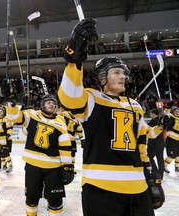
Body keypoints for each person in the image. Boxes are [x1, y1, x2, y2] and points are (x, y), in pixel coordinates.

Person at [58, 18, 167, 215]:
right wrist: (75, 58)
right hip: (101, 189)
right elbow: (68, 97)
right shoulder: (92, 98)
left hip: (138, 188)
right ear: (102, 78)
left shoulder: (134, 106)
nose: (123, 76)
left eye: (124, 73)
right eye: (116, 72)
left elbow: (142, 142)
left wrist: (151, 178)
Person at [2, 83, 74, 216]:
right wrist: (12, 104)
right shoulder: (32, 115)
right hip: (33, 167)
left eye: (53, 103)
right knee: (31, 199)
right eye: (48, 103)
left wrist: (68, 167)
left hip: (54, 169)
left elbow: (65, 147)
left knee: (55, 201)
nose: (51, 105)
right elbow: (13, 117)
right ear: (42, 105)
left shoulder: (60, 122)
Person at [147, 108, 165, 179]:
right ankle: (161, 174)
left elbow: (147, 130)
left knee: (149, 157)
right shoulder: (161, 121)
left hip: (153, 144)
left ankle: (155, 173)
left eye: (151, 114)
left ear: (153, 114)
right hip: (161, 143)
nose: (150, 115)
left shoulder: (153, 121)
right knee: (160, 159)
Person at [0, 105, 14, 173]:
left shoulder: (7, 119)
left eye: (1, 111)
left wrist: (7, 136)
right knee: (1, 153)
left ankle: (10, 165)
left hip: (7, 139)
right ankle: (4, 165)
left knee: (6, 152)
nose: (0, 112)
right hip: (0, 139)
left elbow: (10, 129)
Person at [163, 104, 179, 173]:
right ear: (172, 112)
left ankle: (177, 167)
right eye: (175, 111)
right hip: (171, 139)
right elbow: (166, 113)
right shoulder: (170, 117)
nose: (177, 112)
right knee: (172, 155)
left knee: (178, 155)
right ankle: (164, 166)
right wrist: (168, 107)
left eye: (178, 111)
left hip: (178, 140)